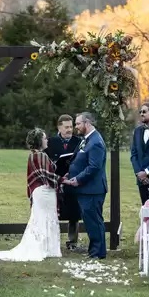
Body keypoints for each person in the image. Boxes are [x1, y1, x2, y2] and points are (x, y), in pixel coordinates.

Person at [0, 128, 62, 262]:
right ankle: (46, 248)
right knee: (46, 218)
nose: (47, 140)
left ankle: (46, 247)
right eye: (44, 138)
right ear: (39, 141)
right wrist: (62, 179)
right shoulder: (41, 155)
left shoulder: (33, 155)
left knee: (40, 218)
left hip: (39, 191)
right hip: (45, 190)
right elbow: (46, 175)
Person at [63, 111, 108, 259]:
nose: (76, 127)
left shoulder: (96, 142)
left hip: (92, 190)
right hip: (85, 189)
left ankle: (98, 253)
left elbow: (94, 167)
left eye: (78, 123)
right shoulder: (86, 139)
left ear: (87, 123)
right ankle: (94, 251)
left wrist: (78, 179)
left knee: (94, 221)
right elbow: (79, 160)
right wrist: (70, 174)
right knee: (90, 221)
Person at [47, 114, 82, 250]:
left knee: (74, 211)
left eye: (71, 127)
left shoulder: (78, 141)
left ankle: (72, 241)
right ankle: (52, 240)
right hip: (55, 181)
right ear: (59, 127)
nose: (69, 130)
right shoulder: (50, 142)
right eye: (66, 127)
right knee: (54, 211)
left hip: (73, 180)